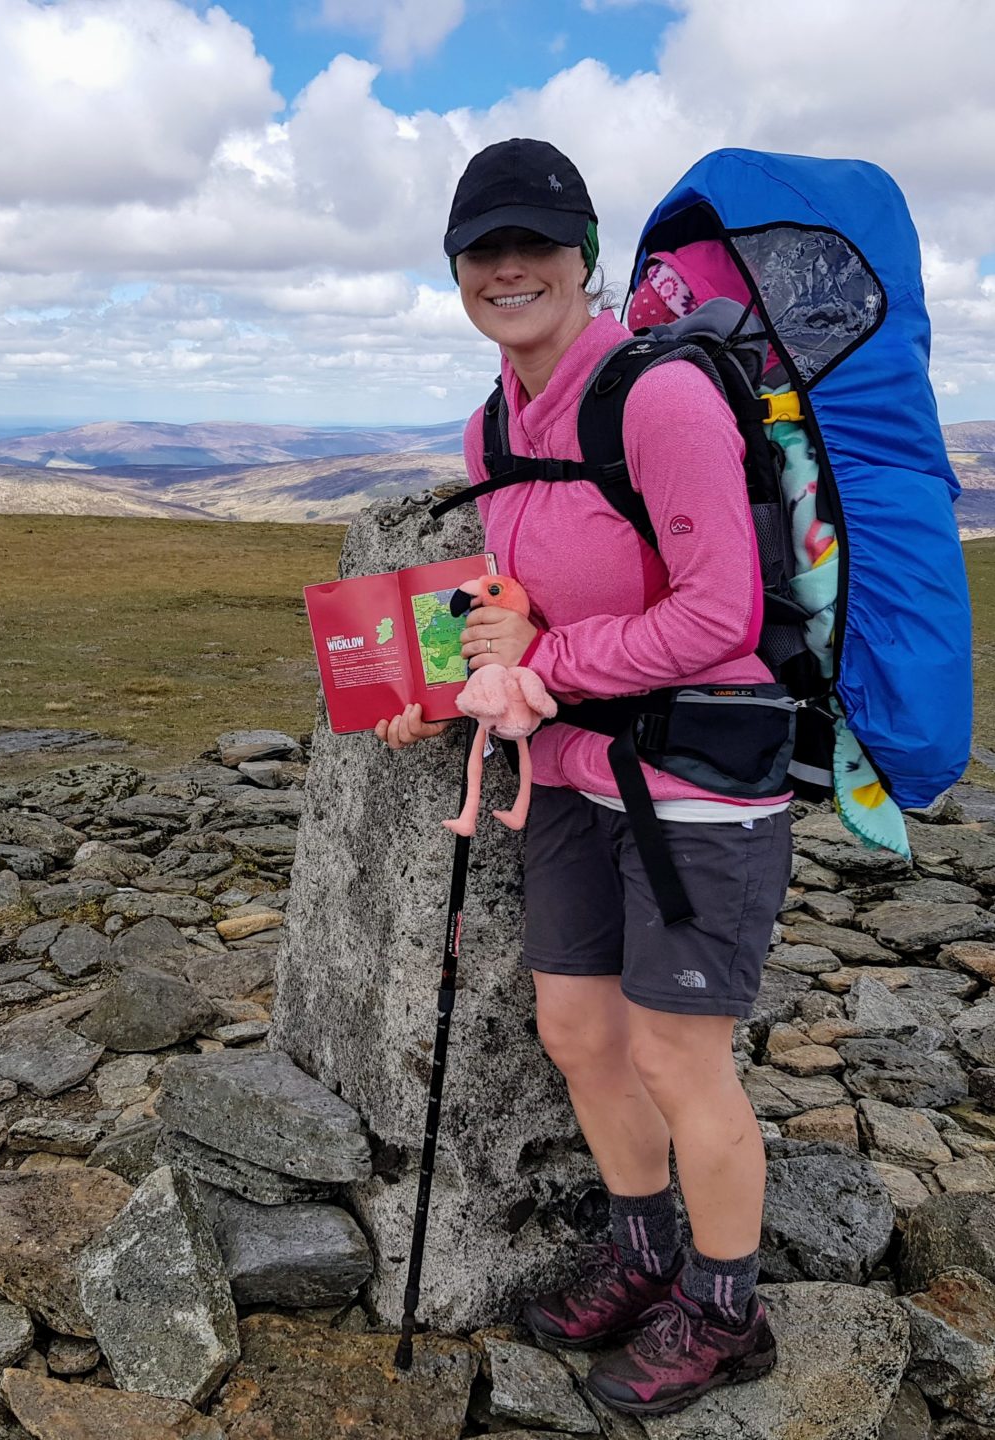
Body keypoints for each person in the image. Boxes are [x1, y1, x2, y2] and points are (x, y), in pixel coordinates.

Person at [377, 138, 792, 1415]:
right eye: (481, 249)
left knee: (678, 1054)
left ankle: (728, 1310)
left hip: (696, 781)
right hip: (568, 770)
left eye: (534, 244)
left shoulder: (658, 397)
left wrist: (547, 669)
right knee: (579, 1033)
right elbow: (511, 600)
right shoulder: (491, 423)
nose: (509, 268)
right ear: (456, 271)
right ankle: (644, 1252)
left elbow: (723, 608)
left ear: (584, 259)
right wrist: (442, 685)